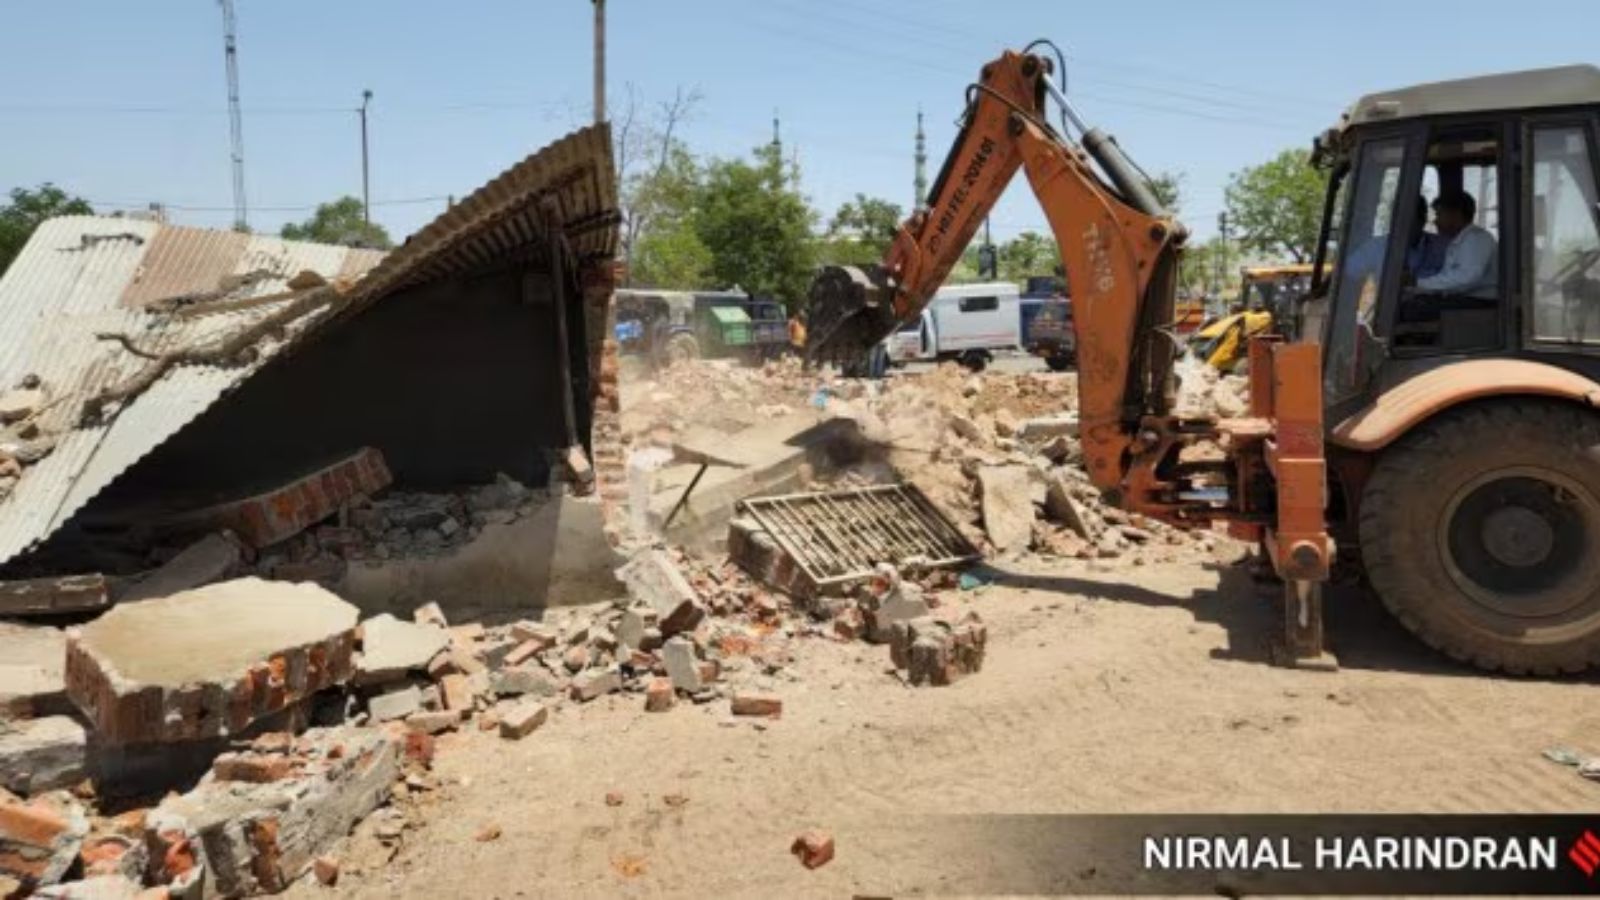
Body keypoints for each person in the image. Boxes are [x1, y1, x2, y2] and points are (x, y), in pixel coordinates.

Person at [1416, 191, 1498, 299]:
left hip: (1480, 304)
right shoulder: (1459, 241)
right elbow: (1448, 280)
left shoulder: (1476, 239)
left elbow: (1465, 278)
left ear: (1456, 214)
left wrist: (1418, 283)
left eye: (1439, 214)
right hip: (1463, 301)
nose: (1435, 221)